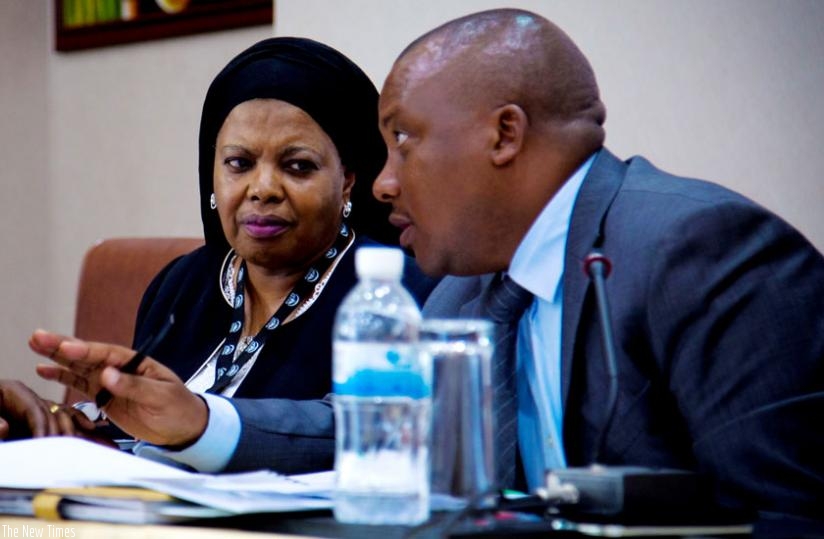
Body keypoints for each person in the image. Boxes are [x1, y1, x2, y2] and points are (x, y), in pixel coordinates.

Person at [371, 8, 824, 520]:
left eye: (403, 140)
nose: (383, 184)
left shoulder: (701, 254)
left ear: (504, 134)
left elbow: (788, 516)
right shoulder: (458, 300)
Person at [9, 36, 436, 475]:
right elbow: (144, 434)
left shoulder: (399, 290)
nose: (263, 188)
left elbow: (386, 433)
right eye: (239, 163)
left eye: (297, 166)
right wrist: (56, 424)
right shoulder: (180, 284)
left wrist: (200, 423)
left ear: (347, 181)